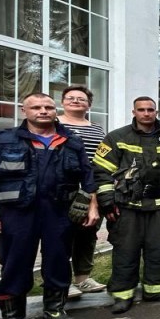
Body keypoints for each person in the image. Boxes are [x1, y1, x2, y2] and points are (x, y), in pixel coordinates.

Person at [0, 93, 98, 319]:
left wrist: (92, 207)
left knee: (58, 260)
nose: (43, 111)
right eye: (36, 107)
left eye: (48, 107)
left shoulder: (71, 141)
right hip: (18, 213)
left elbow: (88, 176)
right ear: (24, 111)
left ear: (55, 110)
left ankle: (54, 310)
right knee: (14, 263)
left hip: (59, 212)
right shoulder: (3, 139)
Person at [94, 96, 160, 315]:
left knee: (159, 249)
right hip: (126, 207)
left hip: (158, 206)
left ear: (156, 112)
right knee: (125, 250)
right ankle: (123, 294)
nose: (146, 113)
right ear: (134, 112)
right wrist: (107, 203)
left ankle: (156, 289)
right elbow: (102, 172)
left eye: (150, 110)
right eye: (141, 110)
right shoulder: (117, 138)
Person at [58, 85, 108, 296]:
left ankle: (82, 278)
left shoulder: (97, 129)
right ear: (63, 102)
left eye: (81, 99)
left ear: (89, 104)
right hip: (62, 187)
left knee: (87, 233)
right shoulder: (54, 124)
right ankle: (61, 281)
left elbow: (103, 159)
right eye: (71, 98)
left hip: (91, 188)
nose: (76, 101)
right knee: (61, 235)